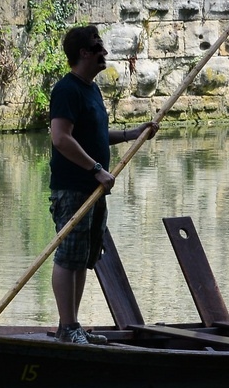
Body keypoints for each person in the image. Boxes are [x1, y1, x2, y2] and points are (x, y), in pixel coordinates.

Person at [47, 25, 156, 344]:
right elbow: (61, 138)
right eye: (98, 47)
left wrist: (130, 134)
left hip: (93, 189)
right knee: (68, 255)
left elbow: (93, 136)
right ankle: (66, 327)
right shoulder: (67, 90)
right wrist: (96, 169)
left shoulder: (91, 89)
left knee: (82, 256)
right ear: (83, 53)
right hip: (72, 188)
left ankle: (73, 326)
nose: (104, 52)